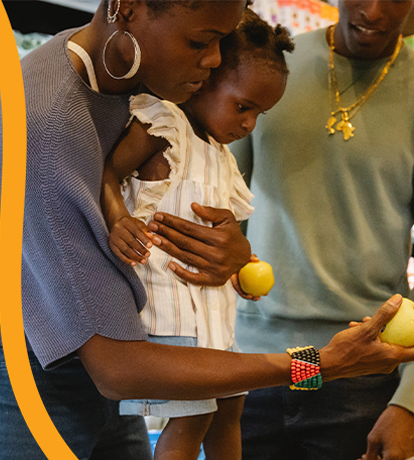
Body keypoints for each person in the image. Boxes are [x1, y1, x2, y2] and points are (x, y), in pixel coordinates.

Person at [0, 1, 414, 459]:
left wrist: (236, 253)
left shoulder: (146, 73)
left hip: (121, 368)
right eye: (203, 39)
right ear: (129, 7)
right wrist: (322, 365)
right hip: (27, 384)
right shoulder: (48, 130)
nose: (217, 60)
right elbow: (119, 370)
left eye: (223, 39)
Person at [230, 1, 414, 459]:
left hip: (357, 376)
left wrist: (409, 403)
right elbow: (223, 203)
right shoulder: (271, 66)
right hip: (255, 365)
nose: (375, 10)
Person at [100, 10, 294, 460]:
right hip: (171, 316)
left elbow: (223, 235)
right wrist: (117, 219)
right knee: (192, 417)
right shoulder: (166, 125)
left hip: (213, 318)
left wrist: (243, 265)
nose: (248, 124)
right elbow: (106, 172)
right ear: (204, 78)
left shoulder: (221, 156)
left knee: (231, 405)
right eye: (243, 106)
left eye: (258, 114)